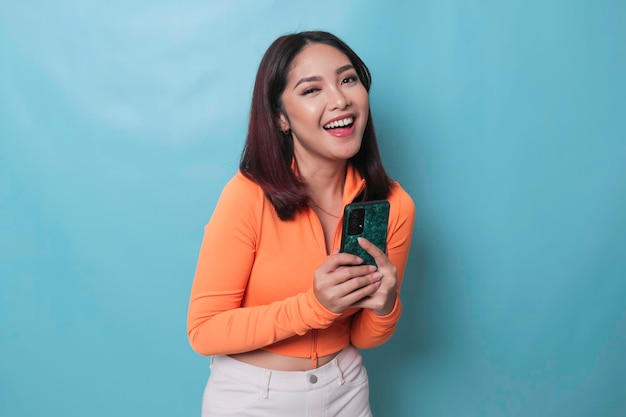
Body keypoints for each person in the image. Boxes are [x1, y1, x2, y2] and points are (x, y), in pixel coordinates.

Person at [187, 30, 415, 417]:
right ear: (280, 118)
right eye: (312, 90)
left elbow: (363, 336)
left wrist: (385, 305)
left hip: (345, 390)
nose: (340, 99)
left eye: (348, 80)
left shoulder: (393, 204)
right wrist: (314, 307)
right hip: (252, 398)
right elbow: (204, 331)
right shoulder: (248, 196)